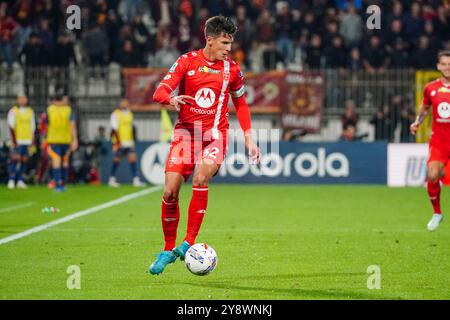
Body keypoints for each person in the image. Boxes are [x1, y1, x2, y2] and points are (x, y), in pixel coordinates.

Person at [150, 15, 260, 275]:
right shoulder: (186, 62)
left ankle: (188, 242)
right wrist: (172, 99)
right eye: (224, 42)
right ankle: (168, 248)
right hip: (186, 135)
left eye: (230, 43)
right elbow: (159, 93)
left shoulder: (232, 69)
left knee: (201, 177)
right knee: (169, 192)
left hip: (215, 136)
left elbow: (241, 103)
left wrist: (248, 137)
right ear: (209, 40)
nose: (228, 48)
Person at [410, 50, 450, 231]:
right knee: (433, 174)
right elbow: (425, 107)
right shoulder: (431, 88)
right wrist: (417, 122)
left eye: (449, 64)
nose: (447, 67)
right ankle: (437, 213)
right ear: (438, 66)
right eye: (444, 64)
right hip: (440, 141)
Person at [108, 99, 145, 187]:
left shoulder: (129, 113)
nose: (124, 104)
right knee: (117, 160)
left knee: (133, 159)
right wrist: (117, 143)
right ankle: (111, 179)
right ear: (119, 104)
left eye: (126, 103)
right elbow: (114, 129)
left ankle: (136, 180)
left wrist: (133, 140)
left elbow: (132, 127)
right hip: (119, 141)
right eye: (123, 103)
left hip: (129, 141)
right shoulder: (115, 114)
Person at [46, 95, 78, 192]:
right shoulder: (68, 110)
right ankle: (62, 183)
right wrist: (75, 139)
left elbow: (46, 125)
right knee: (64, 161)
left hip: (54, 140)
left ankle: (59, 183)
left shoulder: (49, 110)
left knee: (57, 161)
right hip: (65, 140)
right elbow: (72, 126)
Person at [7, 96, 35, 189]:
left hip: (27, 140)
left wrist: (32, 140)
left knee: (24, 161)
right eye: (21, 99)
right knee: (15, 160)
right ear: (17, 100)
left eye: (24, 99)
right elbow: (11, 126)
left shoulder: (30, 111)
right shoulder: (13, 111)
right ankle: (11, 180)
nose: (23, 101)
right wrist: (14, 141)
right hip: (17, 140)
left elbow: (32, 126)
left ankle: (20, 180)